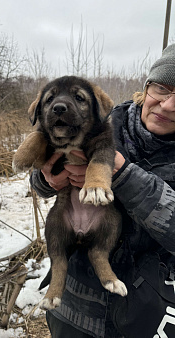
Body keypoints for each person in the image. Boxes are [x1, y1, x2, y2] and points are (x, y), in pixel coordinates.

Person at [30, 43, 175, 337]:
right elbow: (40, 176)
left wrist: (122, 175)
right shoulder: (103, 120)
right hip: (74, 307)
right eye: (162, 88)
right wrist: (48, 180)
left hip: (146, 314)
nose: (168, 105)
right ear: (147, 87)